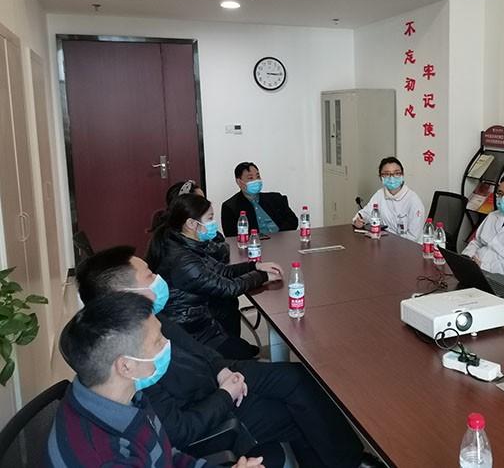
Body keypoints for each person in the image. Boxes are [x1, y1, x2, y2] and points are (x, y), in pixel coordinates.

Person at [75, 246, 386, 468]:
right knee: (298, 412)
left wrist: (223, 371)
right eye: (149, 275)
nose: (158, 277)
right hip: (211, 408)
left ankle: (347, 458)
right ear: (124, 296)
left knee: (298, 378)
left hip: (217, 378)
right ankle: (346, 461)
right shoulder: (128, 357)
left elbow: (199, 349)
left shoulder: (150, 318)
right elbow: (179, 431)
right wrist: (225, 394)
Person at [47, 291, 264, 468]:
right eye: (158, 341)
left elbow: (167, 455)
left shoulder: (125, 396)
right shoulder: (108, 456)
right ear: (126, 366)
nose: (167, 344)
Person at [146, 193, 283, 360]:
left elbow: (222, 271)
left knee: (243, 344)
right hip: (190, 329)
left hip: (198, 317)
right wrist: (263, 276)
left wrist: (255, 266)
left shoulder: (187, 244)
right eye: (210, 218)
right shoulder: (183, 259)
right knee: (245, 354)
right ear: (191, 224)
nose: (213, 223)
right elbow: (228, 287)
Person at [352, 156, 425, 243]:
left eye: (396, 173)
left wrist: (390, 243)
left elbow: (413, 237)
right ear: (380, 177)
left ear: (402, 175)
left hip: (410, 247)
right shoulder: (380, 194)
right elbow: (365, 213)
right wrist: (358, 220)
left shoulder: (413, 200)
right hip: (387, 244)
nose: (392, 178)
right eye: (387, 174)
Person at [221, 162, 298, 237]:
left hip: (281, 240)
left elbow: (293, 220)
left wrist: (279, 236)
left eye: (258, 176)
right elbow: (232, 235)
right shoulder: (230, 207)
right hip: (254, 243)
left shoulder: (275, 199)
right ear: (239, 182)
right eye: (250, 178)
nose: (256, 181)